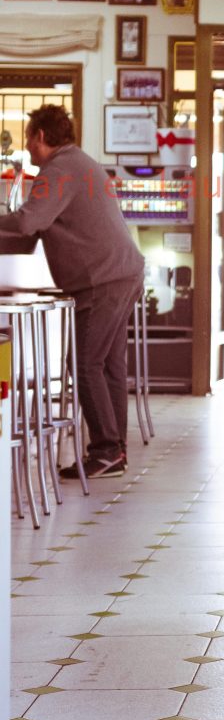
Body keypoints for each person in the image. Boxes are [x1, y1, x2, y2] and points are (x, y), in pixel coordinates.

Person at [0, 105, 144, 479]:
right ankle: (114, 450)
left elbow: (31, 220)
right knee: (108, 365)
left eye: (30, 138)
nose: (28, 148)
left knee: (83, 364)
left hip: (102, 279)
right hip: (121, 273)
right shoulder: (78, 162)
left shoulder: (57, 169)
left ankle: (107, 449)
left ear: (41, 137)